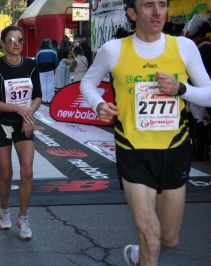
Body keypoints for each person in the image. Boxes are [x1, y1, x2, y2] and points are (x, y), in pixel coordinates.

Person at [80, 1, 211, 265]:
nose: (157, 11)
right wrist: (98, 104)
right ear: (132, 13)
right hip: (133, 150)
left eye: (162, 5)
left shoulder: (183, 47)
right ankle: (146, 252)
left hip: (175, 149)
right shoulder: (113, 50)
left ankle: (139, 257)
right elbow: (87, 82)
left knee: (169, 240)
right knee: (151, 238)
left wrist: (181, 89)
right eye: (148, 5)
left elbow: (208, 92)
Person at [0, 25, 42, 240]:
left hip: (23, 125)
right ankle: (4, 210)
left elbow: (38, 97)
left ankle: (23, 217)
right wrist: (17, 109)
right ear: (3, 44)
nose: (17, 44)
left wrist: (27, 115)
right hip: (1, 125)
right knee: (6, 174)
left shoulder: (31, 65)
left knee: (27, 172)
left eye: (20, 40)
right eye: (12, 40)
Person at [183, 13, 211, 161]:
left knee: (202, 123)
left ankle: (202, 152)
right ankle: (197, 150)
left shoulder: (205, 49)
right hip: (195, 90)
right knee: (196, 123)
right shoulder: (202, 48)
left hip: (202, 91)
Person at [35, 38, 59, 103]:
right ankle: (50, 99)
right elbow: (56, 62)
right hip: (50, 69)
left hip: (41, 70)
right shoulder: (53, 51)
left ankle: (44, 98)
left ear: (42, 43)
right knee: (50, 84)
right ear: (49, 43)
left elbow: (36, 62)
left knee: (43, 84)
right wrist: (54, 68)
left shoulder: (38, 52)